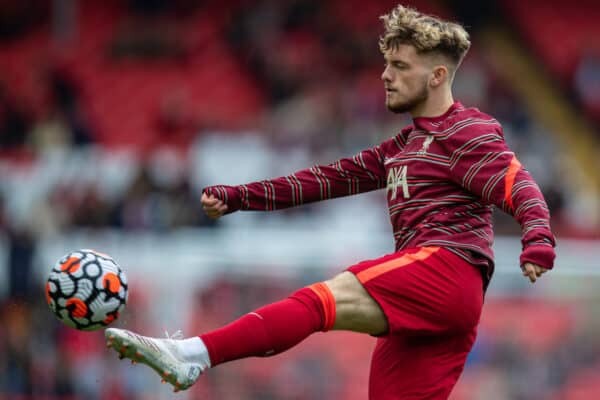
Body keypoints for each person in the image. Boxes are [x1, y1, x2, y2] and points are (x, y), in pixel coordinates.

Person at [105, 4, 555, 399]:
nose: (385, 75)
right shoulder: (403, 145)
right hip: (437, 305)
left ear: (437, 75)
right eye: (387, 64)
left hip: (445, 270)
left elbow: (518, 184)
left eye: (399, 65)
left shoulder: (467, 130)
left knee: (323, 299)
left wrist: (538, 240)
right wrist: (241, 197)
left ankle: (194, 353)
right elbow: (325, 180)